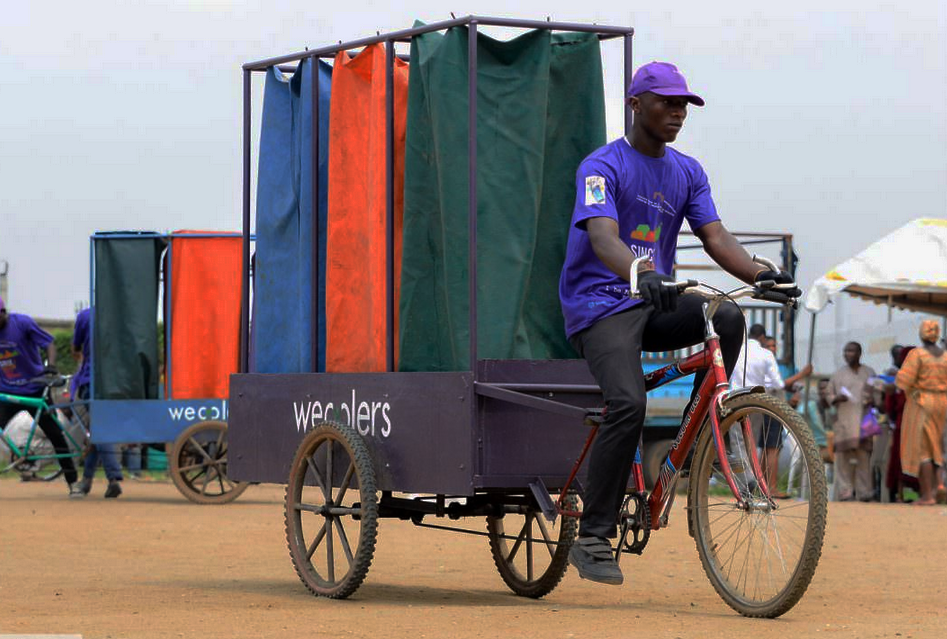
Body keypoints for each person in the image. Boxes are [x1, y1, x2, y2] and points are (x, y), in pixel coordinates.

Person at [558, 61, 799, 585]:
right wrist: (638, 270)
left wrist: (763, 274)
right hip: (599, 305)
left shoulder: (687, 171)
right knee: (628, 402)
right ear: (635, 105)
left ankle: (701, 433)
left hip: (655, 301)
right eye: (667, 102)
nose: (678, 112)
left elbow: (716, 238)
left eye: (684, 104)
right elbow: (602, 236)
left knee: (728, 315)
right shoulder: (601, 167)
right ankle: (594, 536)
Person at [0, 295, 80, 495]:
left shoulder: (22, 323)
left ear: (3, 313)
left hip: (35, 388)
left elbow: (49, 343)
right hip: (7, 391)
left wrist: (51, 367)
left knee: (55, 434)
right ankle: (20, 461)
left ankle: (73, 482)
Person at [70, 307, 123, 499]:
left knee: (99, 430)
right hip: (116, 382)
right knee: (98, 430)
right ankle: (86, 481)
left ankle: (113, 478)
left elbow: (75, 348)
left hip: (91, 382)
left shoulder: (85, 316)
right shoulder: (121, 314)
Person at [895, 320, 947, 506]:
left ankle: (928, 496)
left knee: (924, 449)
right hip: (942, 403)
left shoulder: (917, 354)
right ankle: (939, 485)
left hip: (923, 403)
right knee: (937, 447)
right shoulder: (945, 356)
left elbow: (904, 380)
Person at [826, 342, 876, 501]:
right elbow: (828, 396)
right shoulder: (837, 374)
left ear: (859, 353)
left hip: (865, 421)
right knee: (843, 459)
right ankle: (845, 491)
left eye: (851, 351)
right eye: (845, 351)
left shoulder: (869, 372)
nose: (848, 354)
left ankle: (864, 491)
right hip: (845, 420)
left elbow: (878, 394)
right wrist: (836, 398)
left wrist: (873, 399)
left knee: (864, 458)